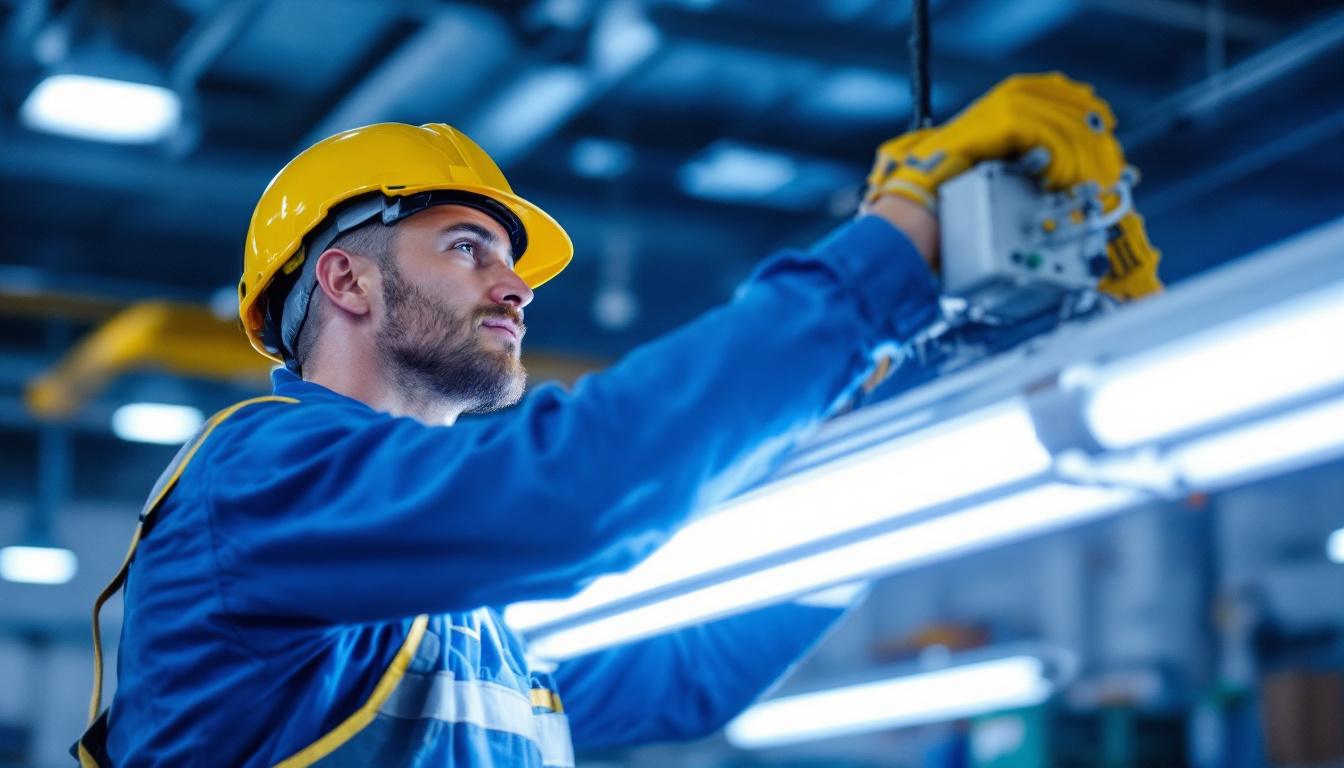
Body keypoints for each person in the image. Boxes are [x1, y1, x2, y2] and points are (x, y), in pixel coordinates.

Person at [75, 73, 1159, 767]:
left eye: (511, 263)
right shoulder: (258, 481)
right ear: (347, 281)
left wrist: (900, 445)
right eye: (468, 247)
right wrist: (894, 247)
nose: (516, 288)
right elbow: (571, 497)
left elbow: (688, 679)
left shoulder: (464, 622)